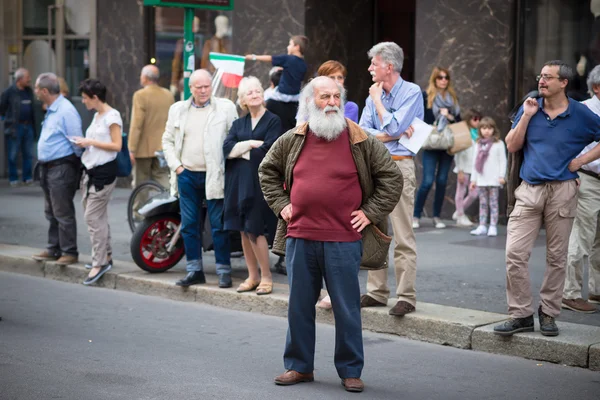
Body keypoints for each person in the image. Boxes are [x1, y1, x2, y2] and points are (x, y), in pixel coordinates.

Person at [259, 76, 401, 393]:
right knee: (298, 305)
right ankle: (298, 366)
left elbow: (391, 178)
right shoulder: (293, 138)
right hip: (300, 236)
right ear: (310, 102)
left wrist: (370, 212)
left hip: (344, 238)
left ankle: (350, 370)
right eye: (325, 97)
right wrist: (281, 204)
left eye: (337, 96)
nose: (333, 102)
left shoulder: (359, 139)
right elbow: (266, 171)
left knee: (346, 307)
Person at [495, 60, 600, 337]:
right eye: (540, 76)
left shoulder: (581, 113)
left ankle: (549, 313)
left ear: (563, 83)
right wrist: (527, 116)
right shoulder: (530, 107)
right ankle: (520, 314)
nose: (541, 81)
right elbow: (511, 144)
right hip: (529, 190)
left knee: (557, 257)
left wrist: (582, 161)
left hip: (563, 190)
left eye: (548, 78)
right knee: (514, 254)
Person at [358, 42, 424, 317]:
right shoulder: (372, 94)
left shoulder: (412, 92)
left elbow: (395, 126)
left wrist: (378, 105)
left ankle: (406, 296)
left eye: (374, 63)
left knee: (402, 233)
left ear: (389, 65)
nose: (370, 68)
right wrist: (391, 134)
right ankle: (376, 292)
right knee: (375, 229)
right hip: (376, 167)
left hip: (400, 167)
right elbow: (361, 131)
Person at [162, 69, 238, 288]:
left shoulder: (225, 108)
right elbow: (167, 140)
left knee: (218, 225)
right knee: (189, 225)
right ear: (191, 88)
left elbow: (233, 138)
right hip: (186, 175)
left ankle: (224, 271)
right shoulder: (177, 109)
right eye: (199, 87)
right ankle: (194, 270)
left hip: (214, 175)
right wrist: (177, 167)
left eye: (207, 86)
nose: (204, 90)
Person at [223, 76, 282, 295]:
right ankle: (252, 276)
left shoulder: (273, 120)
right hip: (238, 183)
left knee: (255, 229)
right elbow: (227, 149)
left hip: (259, 184)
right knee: (243, 230)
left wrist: (241, 150)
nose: (255, 94)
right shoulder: (239, 123)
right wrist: (249, 144)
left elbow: (269, 150)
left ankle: (266, 277)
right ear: (243, 100)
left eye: (258, 91)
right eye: (250, 93)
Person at [31, 73, 83, 266]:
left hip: (61, 167)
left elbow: (77, 141)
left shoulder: (65, 111)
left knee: (62, 211)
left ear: (44, 91)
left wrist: (72, 166)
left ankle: (69, 252)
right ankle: (54, 248)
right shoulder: (53, 109)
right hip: (48, 167)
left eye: (37, 89)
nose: (35, 92)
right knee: (51, 211)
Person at [75, 79, 122, 285]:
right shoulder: (97, 116)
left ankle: (100, 262)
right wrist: (84, 143)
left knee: (93, 218)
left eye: (85, 98)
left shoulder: (112, 116)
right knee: (97, 216)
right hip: (91, 170)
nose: (84, 102)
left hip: (103, 173)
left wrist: (90, 142)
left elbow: (117, 145)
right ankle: (106, 256)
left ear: (95, 97)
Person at [562, 65, 600, 313]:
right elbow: (568, 146)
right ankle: (571, 293)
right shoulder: (584, 110)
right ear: (597, 88)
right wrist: (575, 169)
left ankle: (596, 291)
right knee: (582, 237)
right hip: (588, 179)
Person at [413, 67, 461, 229]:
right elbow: (421, 117)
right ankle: (416, 215)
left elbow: (459, 121)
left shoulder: (452, 98)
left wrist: (448, 116)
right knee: (427, 181)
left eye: (446, 77)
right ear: (434, 79)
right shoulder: (426, 96)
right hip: (432, 143)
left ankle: (437, 216)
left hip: (447, 144)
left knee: (442, 181)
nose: (443, 80)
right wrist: (437, 116)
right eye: (440, 77)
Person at [245, 35, 308, 132]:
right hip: (295, 96)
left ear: (297, 47)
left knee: (264, 96)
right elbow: (294, 73)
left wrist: (254, 57)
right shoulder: (303, 64)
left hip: (282, 94)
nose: (288, 47)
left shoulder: (288, 59)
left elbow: (270, 58)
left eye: (290, 44)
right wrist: (284, 69)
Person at [129, 65, 174, 191]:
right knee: (163, 179)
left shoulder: (140, 95)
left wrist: (132, 148)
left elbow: (137, 124)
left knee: (141, 184)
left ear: (145, 78)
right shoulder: (168, 95)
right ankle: (172, 203)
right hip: (163, 146)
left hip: (143, 148)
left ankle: (137, 211)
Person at [468, 117, 507, 237]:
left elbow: (503, 161)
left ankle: (493, 226)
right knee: (483, 203)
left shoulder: (499, 143)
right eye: (484, 128)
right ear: (480, 130)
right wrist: (473, 180)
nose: (486, 131)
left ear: (493, 129)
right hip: (481, 179)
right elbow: (475, 163)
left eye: (489, 128)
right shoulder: (478, 144)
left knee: (494, 203)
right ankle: (482, 225)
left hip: (494, 179)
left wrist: (502, 176)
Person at [0, 68, 36, 187]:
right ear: (20, 79)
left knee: (28, 153)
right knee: (13, 154)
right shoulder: (9, 92)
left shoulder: (29, 91)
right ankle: (13, 178)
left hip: (28, 125)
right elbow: (2, 108)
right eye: (27, 77)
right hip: (15, 127)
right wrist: (7, 121)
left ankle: (27, 177)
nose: (29, 80)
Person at [297, 60, 360, 124]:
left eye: (340, 77)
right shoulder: (310, 103)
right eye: (332, 77)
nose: (337, 81)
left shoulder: (350, 107)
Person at [452, 108, 481, 227]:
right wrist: (460, 170)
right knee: (461, 192)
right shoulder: (464, 133)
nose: (477, 121)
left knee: (474, 193)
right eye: (475, 119)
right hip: (464, 168)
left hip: (475, 170)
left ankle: (459, 211)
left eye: (479, 119)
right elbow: (458, 153)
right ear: (469, 120)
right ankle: (460, 216)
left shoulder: (479, 134)